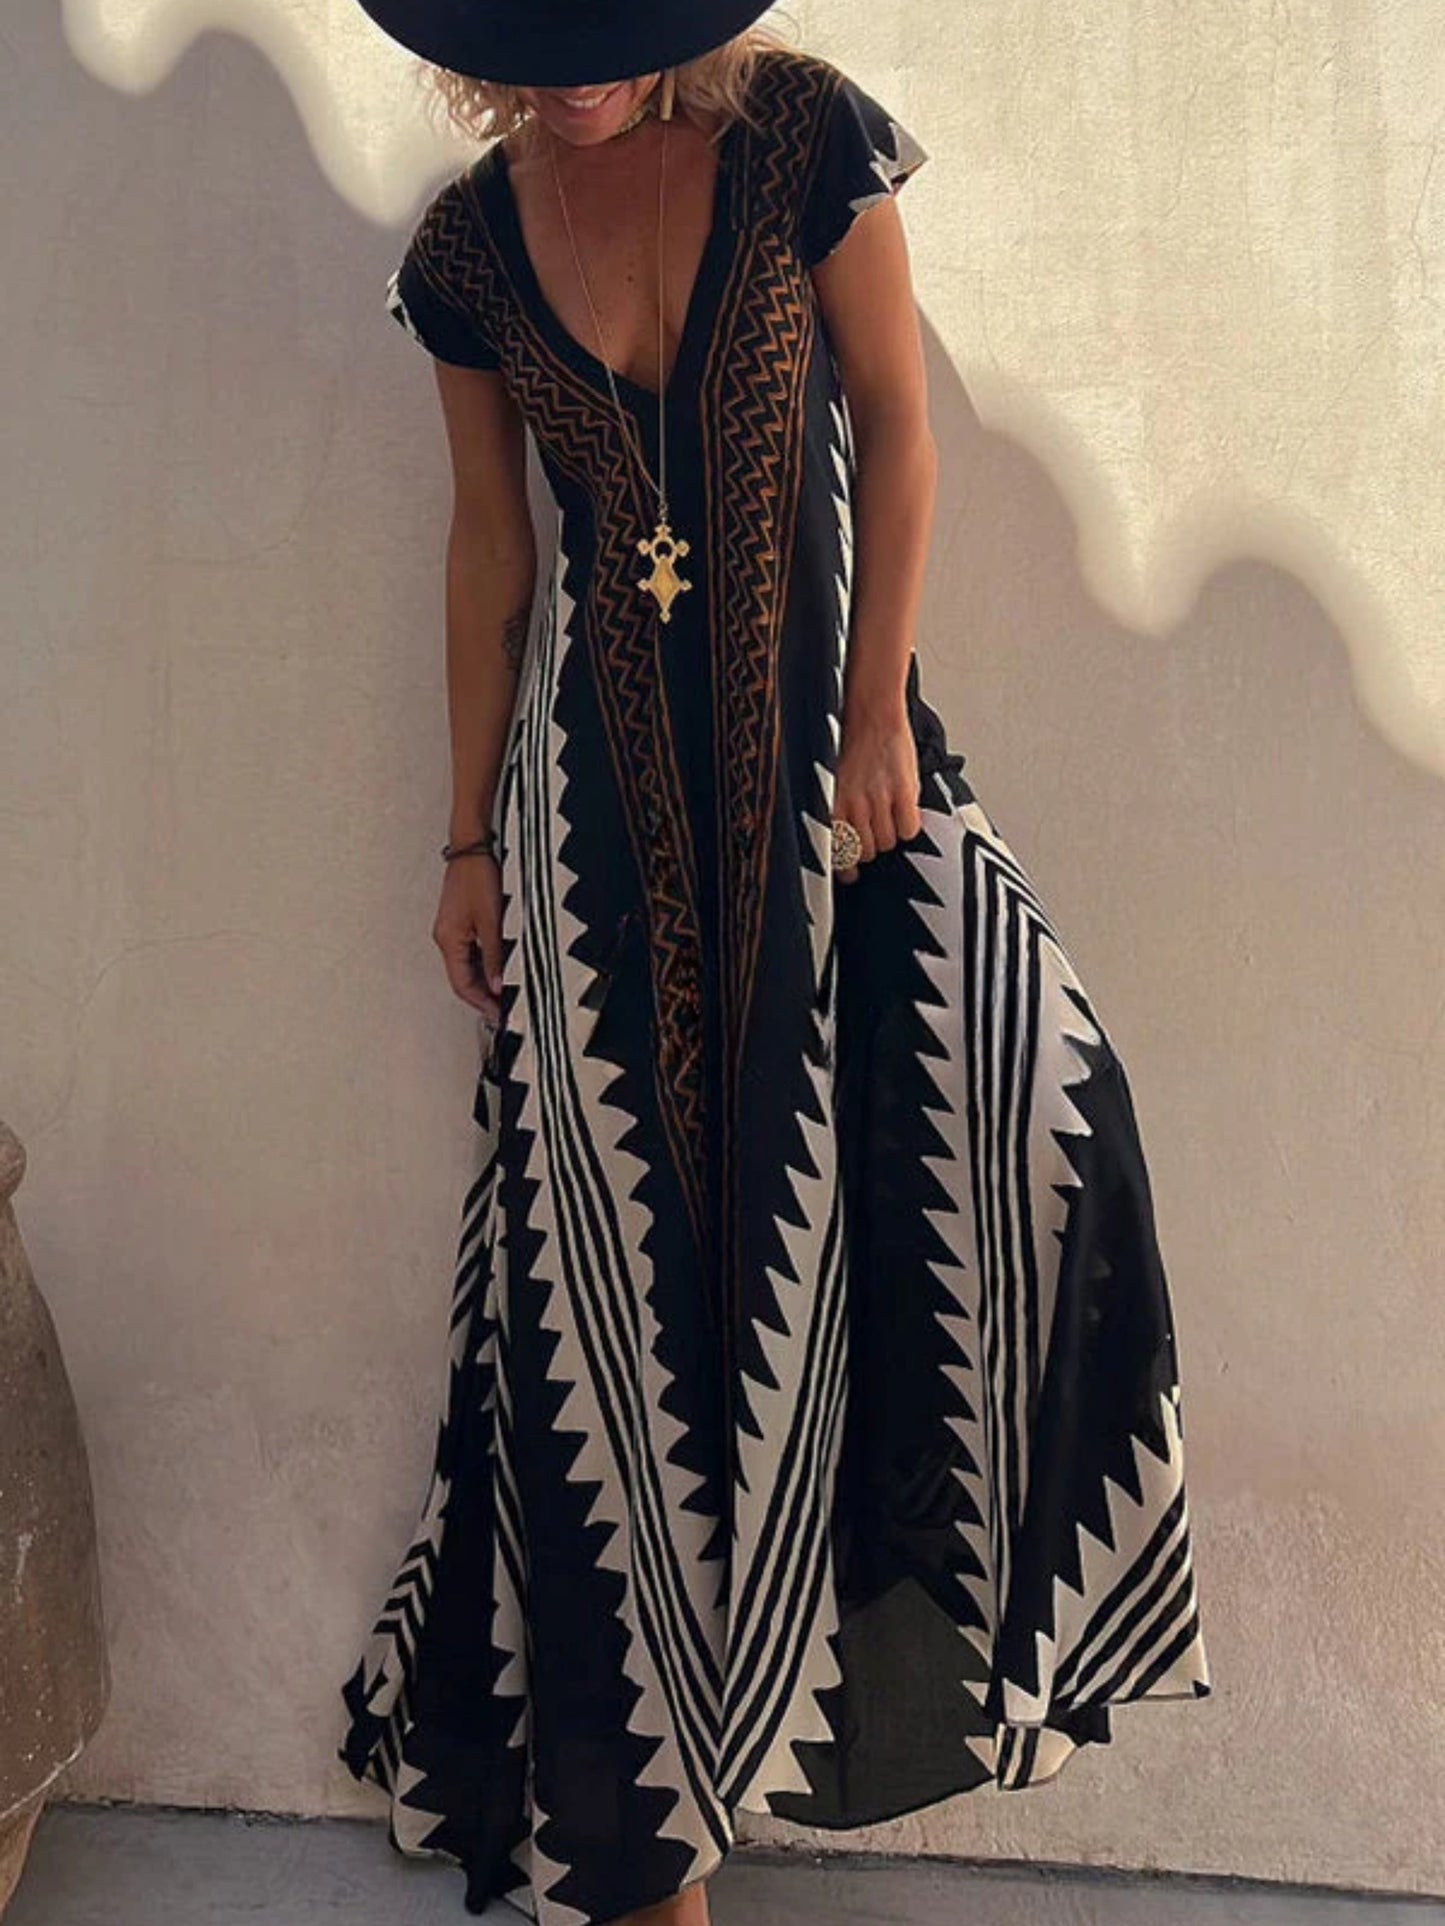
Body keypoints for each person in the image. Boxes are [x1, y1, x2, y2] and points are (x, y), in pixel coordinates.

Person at [336, 8, 1212, 1925]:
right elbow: (489, 548)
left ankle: (883, 1662)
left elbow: (894, 420)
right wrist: (466, 839)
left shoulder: (806, 138)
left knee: (1039, 1118)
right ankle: (646, 1851)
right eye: (526, 30)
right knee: (610, 1315)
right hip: (586, 843)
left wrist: (879, 705)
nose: (569, 63)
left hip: (837, 787)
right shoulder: (468, 247)